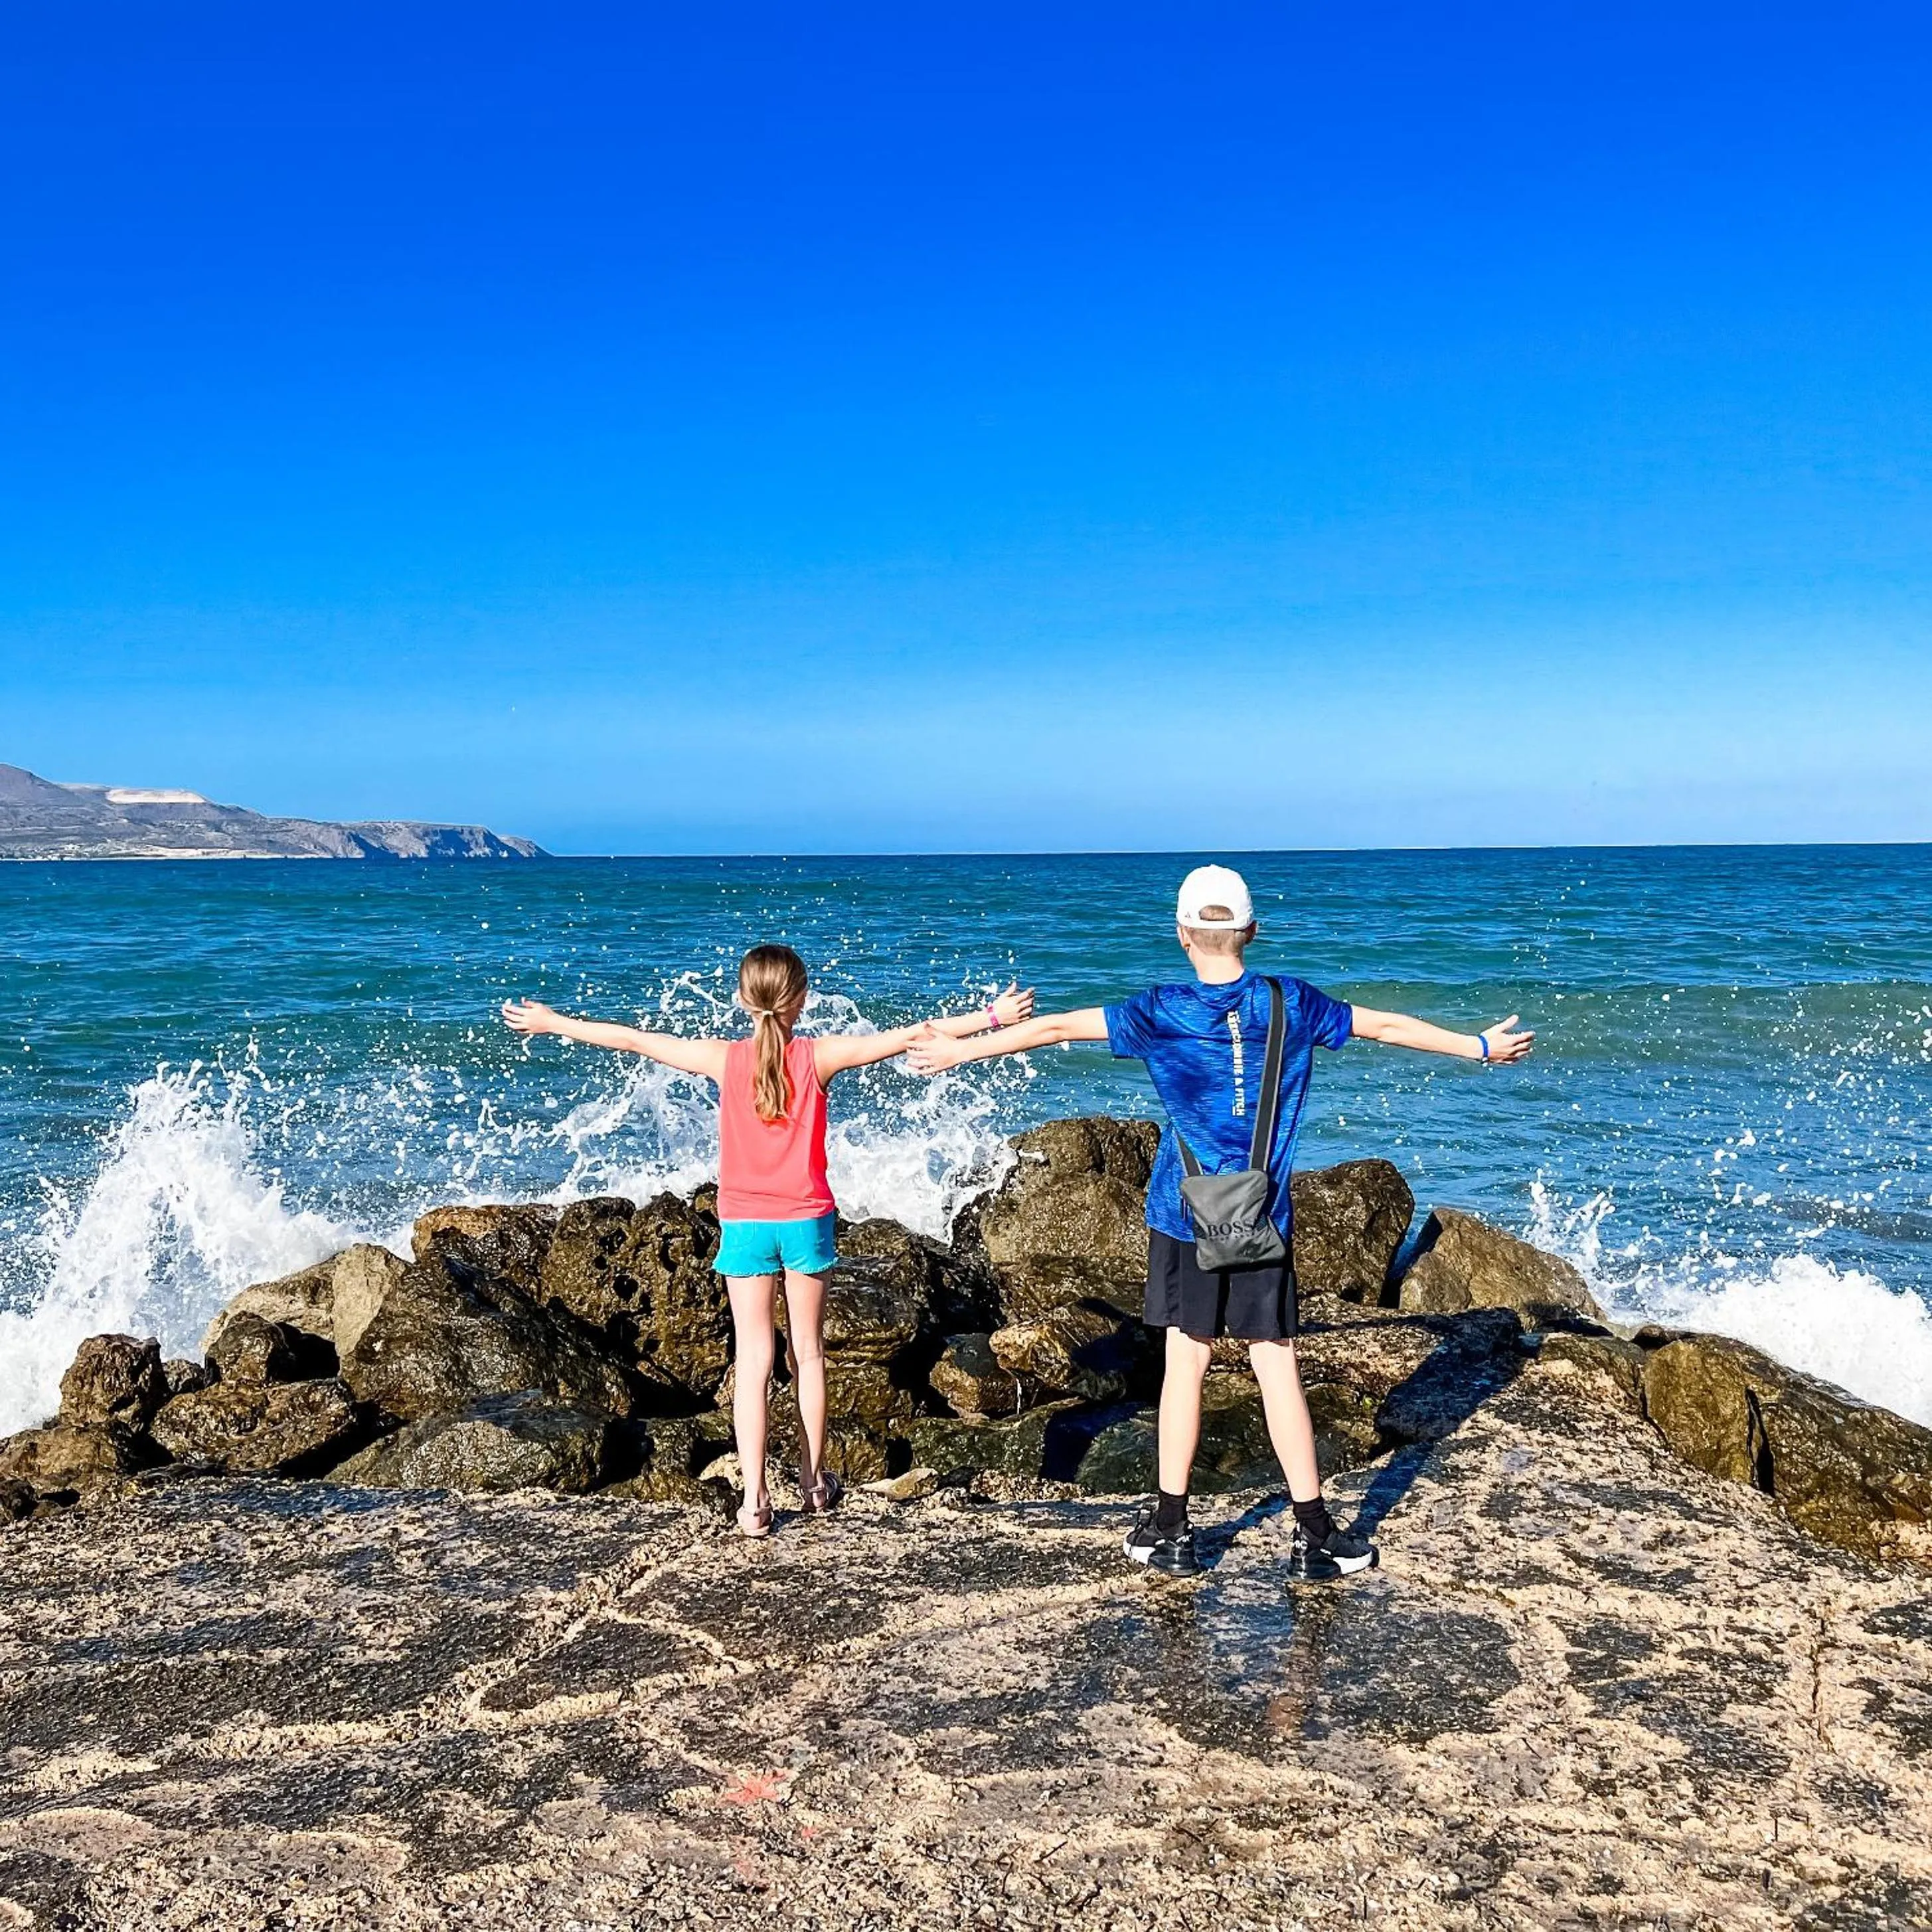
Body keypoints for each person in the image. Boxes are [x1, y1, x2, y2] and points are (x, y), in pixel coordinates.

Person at [909, 864, 1533, 1579]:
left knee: (1187, 1363)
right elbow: (1384, 1025)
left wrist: (963, 1048)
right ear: (1253, 932)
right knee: (1276, 1365)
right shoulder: (1290, 1001)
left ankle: (1173, 1530)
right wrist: (1477, 1047)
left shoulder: (1161, 1010)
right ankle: (1316, 1533)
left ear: (1182, 935)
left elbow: (1054, 1028)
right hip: (1263, 1213)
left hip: (1184, 1215)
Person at [504, 947, 1032, 1538]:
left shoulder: (720, 1059)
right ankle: (813, 1484)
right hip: (806, 1222)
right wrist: (992, 1017)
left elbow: (632, 1040)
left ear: (741, 998)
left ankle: (754, 1500)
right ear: (801, 1001)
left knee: (752, 1360)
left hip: (745, 1226)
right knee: (807, 1355)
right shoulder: (820, 1056)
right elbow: (912, 1035)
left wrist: (553, 1023)